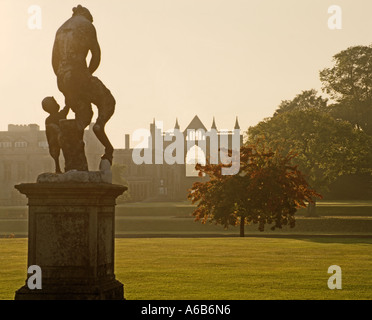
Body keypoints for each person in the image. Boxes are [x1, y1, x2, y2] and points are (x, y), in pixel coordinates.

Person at [52, 5, 115, 164]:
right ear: (86, 14)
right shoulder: (87, 25)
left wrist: (64, 83)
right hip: (78, 73)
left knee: (83, 115)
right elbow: (96, 55)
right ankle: (100, 126)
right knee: (107, 101)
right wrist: (87, 74)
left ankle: (72, 152)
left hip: (62, 78)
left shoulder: (61, 29)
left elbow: (54, 61)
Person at [42, 96, 70, 173]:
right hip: (59, 139)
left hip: (56, 140)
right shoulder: (58, 116)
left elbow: (67, 107)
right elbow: (67, 106)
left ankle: (61, 167)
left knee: (62, 153)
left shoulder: (50, 119)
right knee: (63, 152)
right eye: (54, 103)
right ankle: (60, 167)